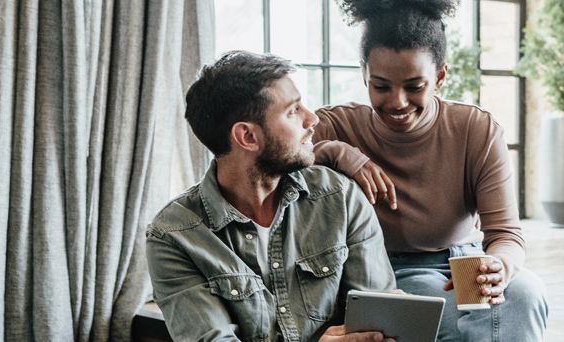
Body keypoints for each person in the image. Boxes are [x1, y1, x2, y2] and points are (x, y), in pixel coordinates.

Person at [311, 0, 549, 340]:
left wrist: (500, 267)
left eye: (413, 86)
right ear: (364, 73)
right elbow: (280, 162)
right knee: (441, 311)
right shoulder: (336, 125)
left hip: (466, 263)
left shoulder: (475, 129)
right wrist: (338, 153)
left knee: (525, 294)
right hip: (389, 270)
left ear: (439, 76)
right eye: (380, 86)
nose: (396, 102)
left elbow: (506, 236)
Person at [146, 51, 398, 342]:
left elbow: (378, 327)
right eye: (293, 111)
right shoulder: (174, 236)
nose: (312, 118)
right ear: (247, 137)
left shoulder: (340, 197)